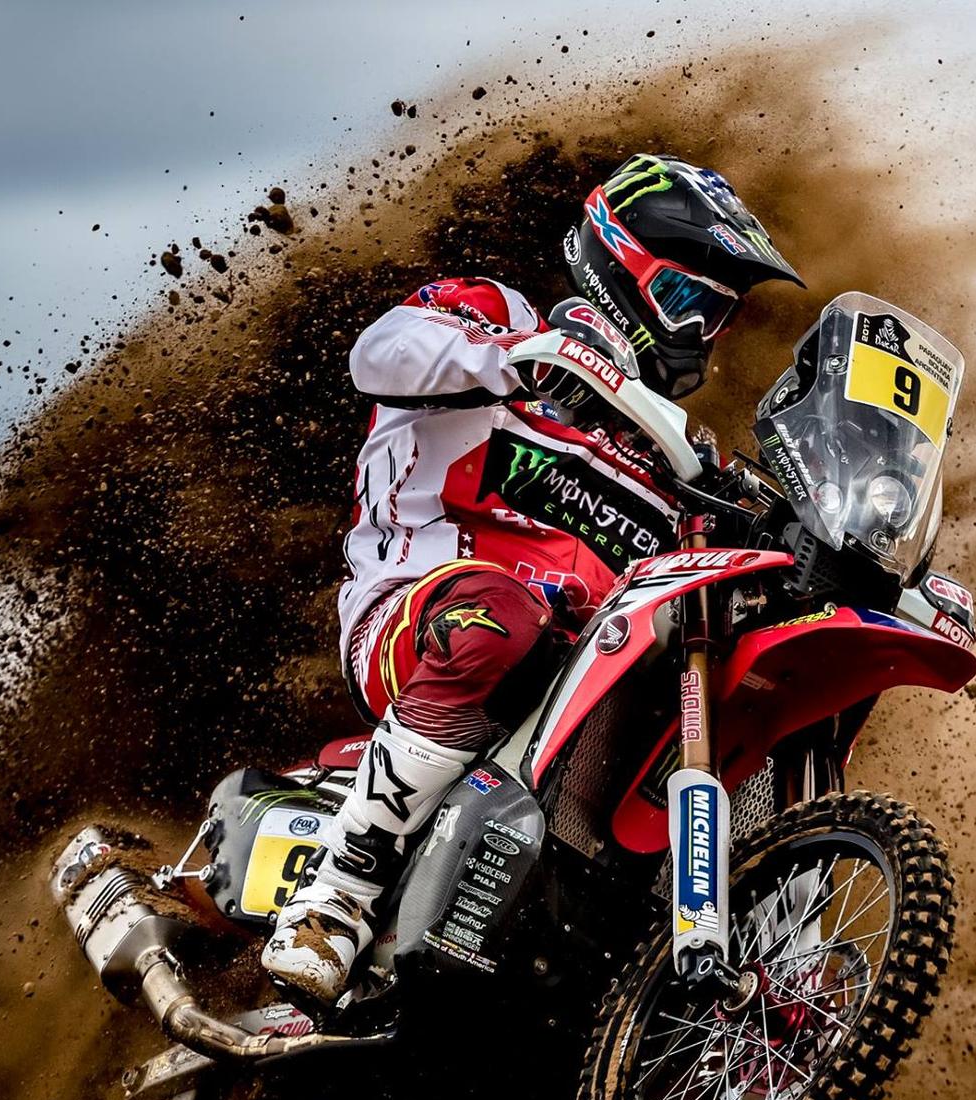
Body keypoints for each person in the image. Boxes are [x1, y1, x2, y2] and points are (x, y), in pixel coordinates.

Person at [262, 154, 802, 1003]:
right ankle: (336, 899)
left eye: (718, 316)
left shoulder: (675, 455)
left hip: (574, 680)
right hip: (418, 615)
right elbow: (380, 354)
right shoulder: (494, 319)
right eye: (685, 300)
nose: (699, 333)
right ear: (620, 265)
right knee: (502, 615)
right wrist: (518, 357)